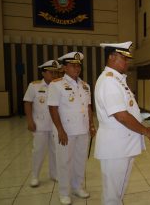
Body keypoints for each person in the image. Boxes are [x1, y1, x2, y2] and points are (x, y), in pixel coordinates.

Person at [94, 41, 150, 205]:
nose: (127, 62)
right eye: (124, 58)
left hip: (122, 144)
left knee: (118, 191)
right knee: (112, 194)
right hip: (116, 147)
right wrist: (145, 130)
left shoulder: (118, 80)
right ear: (112, 57)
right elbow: (121, 116)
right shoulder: (109, 81)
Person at [47, 52, 96, 205]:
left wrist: (91, 124)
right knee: (64, 161)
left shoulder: (85, 85)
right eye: (73, 65)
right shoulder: (57, 84)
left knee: (80, 160)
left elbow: (88, 107)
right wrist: (60, 130)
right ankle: (64, 192)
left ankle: (77, 187)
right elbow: (53, 108)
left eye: (79, 65)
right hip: (66, 131)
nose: (77, 68)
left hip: (82, 130)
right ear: (65, 67)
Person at [23, 60, 60, 187]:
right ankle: (35, 176)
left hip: (55, 125)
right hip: (40, 125)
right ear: (43, 73)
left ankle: (54, 174)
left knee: (55, 151)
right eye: (51, 72)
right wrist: (29, 120)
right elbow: (27, 103)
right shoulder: (34, 86)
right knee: (38, 150)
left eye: (56, 72)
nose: (54, 74)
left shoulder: (58, 85)